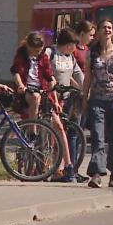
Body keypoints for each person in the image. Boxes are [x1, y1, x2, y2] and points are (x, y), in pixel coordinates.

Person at [11, 32, 74, 182]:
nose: (39, 53)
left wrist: (53, 83)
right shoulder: (21, 54)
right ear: (29, 46)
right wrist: (20, 85)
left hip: (42, 90)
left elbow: (48, 74)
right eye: (36, 50)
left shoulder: (42, 56)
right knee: (35, 98)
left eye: (40, 50)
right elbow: (16, 72)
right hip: (27, 91)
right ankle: (33, 132)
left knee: (58, 126)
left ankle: (69, 165)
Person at [82, 19, 113, 188]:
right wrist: (84, 99)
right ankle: (96, 173)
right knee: (97, 137)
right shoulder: (92, 53)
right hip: (97, 100)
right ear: (99, 31)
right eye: (104, 28)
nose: (107, 30)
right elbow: (88, 77)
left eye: (110, 27)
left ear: (112, 31)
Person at [46, 28, 85, 181]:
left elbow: (77, 75)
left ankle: (60, 169)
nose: (75, 48)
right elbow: (44, 70)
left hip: (66, 99)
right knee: (54, 134)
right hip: (50, 98)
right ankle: (54, 168)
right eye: (74, 45)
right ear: (69, 44)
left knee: (60, 135)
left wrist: (87, 90)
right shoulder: (51, 53)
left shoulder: (71, 58)